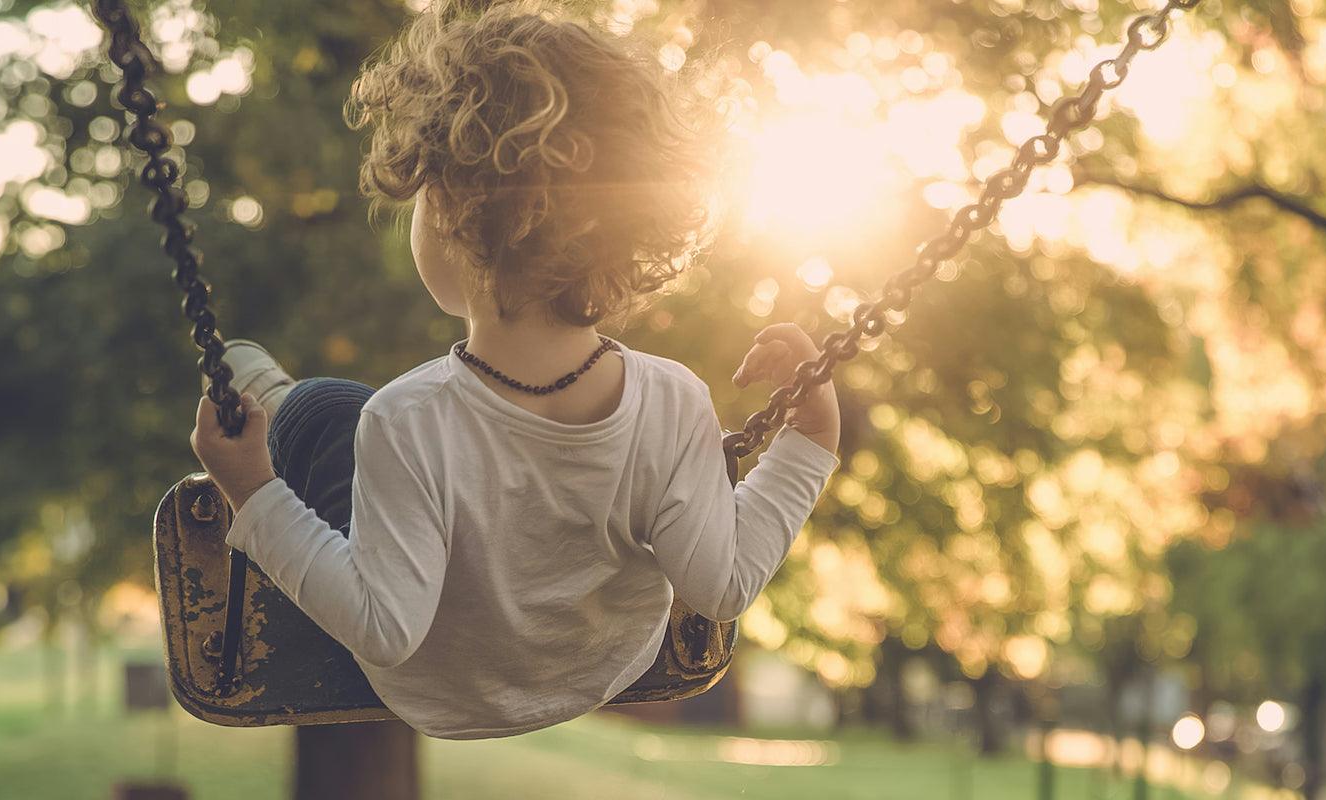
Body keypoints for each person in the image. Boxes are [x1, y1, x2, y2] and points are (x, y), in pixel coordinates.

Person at [188, 0, 839, 740]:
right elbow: (721, 587)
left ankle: (273, 402)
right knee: (347, 419)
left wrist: (251, 491)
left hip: (438, 690)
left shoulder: (405, 420)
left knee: (323, 411)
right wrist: (809, 443)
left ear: (456, 212)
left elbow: (384, 628)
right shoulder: (674, 401)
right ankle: (276, 400)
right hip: (601, 671)